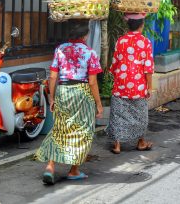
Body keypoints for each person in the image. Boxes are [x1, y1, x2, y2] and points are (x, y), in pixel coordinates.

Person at [35, 19, 103, 184]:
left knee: (60, 129)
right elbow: (93, 82)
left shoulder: (60, 49)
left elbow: (52, 76)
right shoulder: (90, 53)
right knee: (83, 131)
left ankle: (50, 166)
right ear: (85, 36)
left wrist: (52, 96)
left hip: (63, 91)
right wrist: (99, 104)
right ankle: (73, 170)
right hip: (82, 93)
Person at [105, 13, 154, 154]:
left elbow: (114, 64)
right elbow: (148, 67)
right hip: (138, 85)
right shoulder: (145, 42)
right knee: (140, 115)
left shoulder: (120, 41)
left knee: (118, 114)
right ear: (141, 25)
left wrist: (117, 76)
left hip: (121, 83)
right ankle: (141, 142)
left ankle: (117, 145)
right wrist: (149, 87)